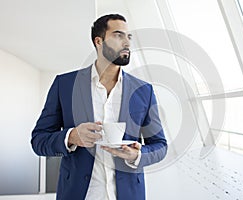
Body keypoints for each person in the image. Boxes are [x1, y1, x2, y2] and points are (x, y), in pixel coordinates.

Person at [31, 14, 167, 200]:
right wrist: (70, 137)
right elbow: (39, 141)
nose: (126, 42)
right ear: (99, 41)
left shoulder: (143, 91)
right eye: (118, 35)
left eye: (129, 37)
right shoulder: (65, 85)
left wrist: (137, 155)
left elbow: (160, 145)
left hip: (129, 195)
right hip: (78, 194)